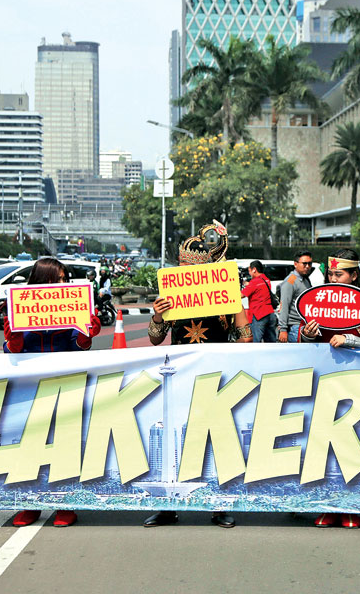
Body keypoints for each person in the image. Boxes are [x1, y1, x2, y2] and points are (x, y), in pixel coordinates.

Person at [143, 220, 252, 529]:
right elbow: (154, 338)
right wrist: (158, 315)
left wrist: (235, 305)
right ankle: (167, 507)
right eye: (180, 267)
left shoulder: (224, 296)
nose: (182, 273)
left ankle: (218, 506)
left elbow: (245, 338)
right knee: (171, 440)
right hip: (179, 377)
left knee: (216, 440)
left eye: (188, 268)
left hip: (215, 377)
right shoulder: (170, 297)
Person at [3, 257, 101, 528]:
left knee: (64, 443)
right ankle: (30, 505)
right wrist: (14, 338)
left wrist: (86, 335)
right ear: (41, 280)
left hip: (65, 382)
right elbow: (11, 351)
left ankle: (65, 505)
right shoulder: (21, 305)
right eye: (57, 279)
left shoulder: (73, 304)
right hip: (30, 386)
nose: (63, 283)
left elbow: (78, 345)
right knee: (29, 445)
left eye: (64, 279)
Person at [300, 249, 360, 529]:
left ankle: (351, 506)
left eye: (339, 274)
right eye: (330, 274)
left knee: (353, 445)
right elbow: (306, 338)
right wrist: (308, 334)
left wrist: (350, 339)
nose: (333, 278)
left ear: (353, 275)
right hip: (325, 380)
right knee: (323, 445)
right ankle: (327, 505)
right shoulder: (319, 300)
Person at [277, 250, 313, 343]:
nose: (307, 266)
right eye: (304, 263)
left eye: (309, 264)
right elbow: (284, 305)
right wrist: (283, 329)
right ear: (295, 264)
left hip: (305, 325)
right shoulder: (290, 281)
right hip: (295, 327)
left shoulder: (305, 279)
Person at [241, 260, 278, 343]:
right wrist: (246, 283)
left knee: (256, 341)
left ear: (254, 269)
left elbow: (242, 295)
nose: (249, 273)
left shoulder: (254, 282)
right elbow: (256, 287)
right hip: (270, 313)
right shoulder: (266, 279)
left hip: (259, 314)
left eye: (249, 270)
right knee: (271, 342)